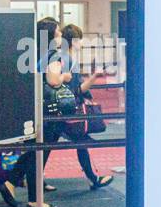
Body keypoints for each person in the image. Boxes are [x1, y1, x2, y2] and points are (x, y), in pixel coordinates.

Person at [47, 24, 114, 190]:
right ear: (74, 41)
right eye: (80, 40)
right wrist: (92, 78)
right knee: (80, 141)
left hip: (57, 110)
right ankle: (94, 178)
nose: (82, 43)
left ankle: (27, 179)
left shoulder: (61, 58)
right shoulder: (68, 61)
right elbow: (76, 90)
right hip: (68, 111)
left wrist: (92, 78)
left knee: (48, 145)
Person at [9, 17, 62, 207]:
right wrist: (64, 76)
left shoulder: (32, 54)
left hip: (31, 107)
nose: (60, 36)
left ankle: (17, 184)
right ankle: (16, 183)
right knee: (37, 153)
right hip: (46, 109)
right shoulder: (52, 54)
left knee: (34, 152)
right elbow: (54, 80)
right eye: (58, 33)